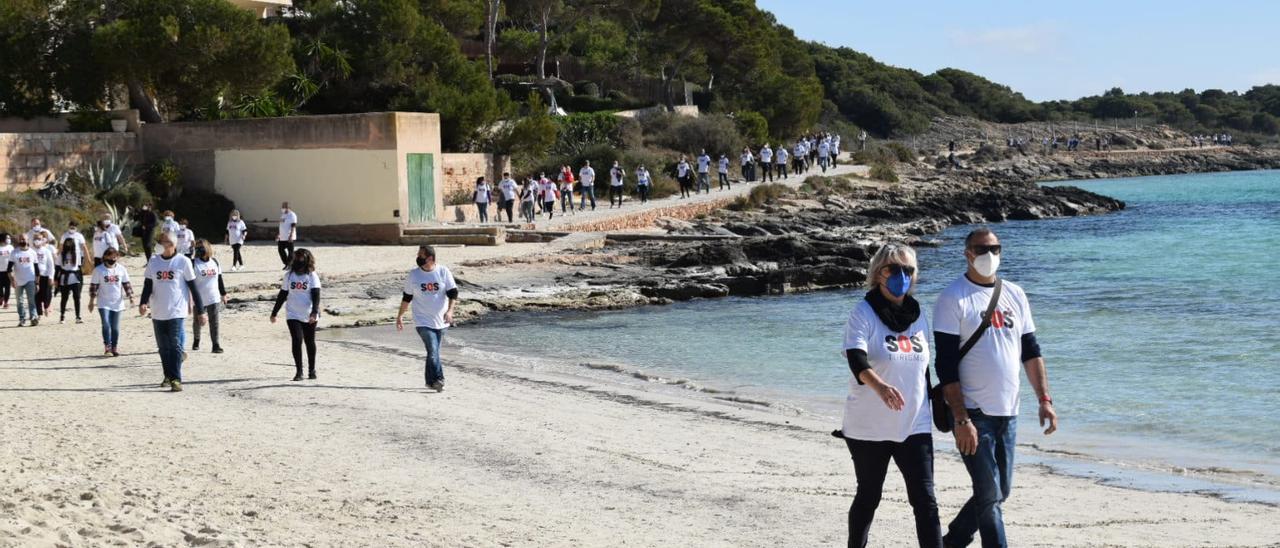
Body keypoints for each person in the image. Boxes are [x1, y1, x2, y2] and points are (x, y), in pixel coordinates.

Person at [934, 228, 1058, 548]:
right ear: (968, 254)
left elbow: (1030, 351)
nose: (990, 255)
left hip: (1009, 412)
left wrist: (1044, 399)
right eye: (982, 249)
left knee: (1000, 490)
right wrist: (961, 419)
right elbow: (945, 366)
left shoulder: (1015, 294)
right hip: (974, 413)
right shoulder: (953, 298)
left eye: (995, 248)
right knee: (990, 499)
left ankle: (955, 539)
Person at [838, 244, 941, 548]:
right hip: (869, 427)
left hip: (914, 425)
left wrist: (939, 406)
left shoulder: (919, 315)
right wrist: (880, 387)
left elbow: (923, 370)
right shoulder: (863, 312)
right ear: (877, 273)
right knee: (869, 496)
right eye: (893, 269)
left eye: (907, 270)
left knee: (926, 500)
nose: (901, 275)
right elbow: (856, 360)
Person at [139, 232, 206, 392]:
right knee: (163, 347)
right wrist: (143, 302)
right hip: (157, 310)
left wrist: (201, 311)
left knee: (174, 344)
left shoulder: (183, 262)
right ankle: (168, 375)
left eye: (165, 241)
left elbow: (193, 287)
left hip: (177, 310)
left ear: (173, 245)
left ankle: (176, 379)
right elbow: (147, 284)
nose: (161, 243)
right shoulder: (153, 261)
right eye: (160, 240)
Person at [396, 245, 457, 392]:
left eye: (421, 255)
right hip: (422, 320)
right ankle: (438, 380)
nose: (418, 258)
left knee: (433, 352)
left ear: (430, 258)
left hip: (441, 320)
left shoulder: (443, 271)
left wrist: (450, 311)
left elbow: (453, 293)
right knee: (433, 349)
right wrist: (400, 316)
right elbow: (407, 297)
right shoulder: (414, 275)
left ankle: (429, 382)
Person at [270, 248, 321, 381]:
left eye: (301, 258)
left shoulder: (311, 275)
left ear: (307, 260)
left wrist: (314, 312)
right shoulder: (289, 275)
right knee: (297, 340)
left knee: (310, 341)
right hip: (292, 313)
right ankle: (299, 371)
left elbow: (316, 294)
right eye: (296, 258)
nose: (298, 261)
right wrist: (274, 312)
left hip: (309, 313)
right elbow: (283, 294)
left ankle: (312, 370)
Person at [88, 247, 133, 357]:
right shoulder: (98, 270)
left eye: (115, 257)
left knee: (115, 328)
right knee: (106, 324)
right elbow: (94, 287)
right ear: (105, 257)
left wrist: (131, 296)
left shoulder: (121, 269)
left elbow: (126, 284)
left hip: (117, 302)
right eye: (110, 256)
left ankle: (114, 347)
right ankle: (107, 347)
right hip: (103, 302)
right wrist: (91, 301)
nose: (113, 259)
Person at [191, 240, 227, 353]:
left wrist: (224, 294)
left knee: (214, 322)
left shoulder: (215, 262)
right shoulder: (193, 263)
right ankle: (196, 339)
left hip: (214, 297)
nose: (199, 250)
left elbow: (220, 279)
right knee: (197, 322)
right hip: (199, 298)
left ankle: (215, 345)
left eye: (201, 247)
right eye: (197, 248)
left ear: (207, 248)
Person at [6, 234, 41, 326]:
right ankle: (22, 318)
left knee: (31, 300)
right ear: (18, 240)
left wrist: (37, 283)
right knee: (19, 301)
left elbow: (37, 270)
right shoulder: (14, 253)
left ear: (28, 240)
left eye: (24, 239)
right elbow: (9, 269)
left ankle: (33, 317)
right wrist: (12, 280)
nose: (22, 241)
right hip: (18, 281)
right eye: (20, 239)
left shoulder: (32, 253)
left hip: (30, 279)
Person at [56, 237, 84, 324]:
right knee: (64, 298)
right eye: (67, 243)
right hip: (65, 278)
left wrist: (81, 280)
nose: (68, 245)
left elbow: (79, 268)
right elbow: (57, 268)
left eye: (70, 243)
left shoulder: (77, 255)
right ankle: (62, 316)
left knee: (77, 297)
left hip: (75, 278)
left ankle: (78, 316)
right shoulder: (61, 255)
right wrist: (56, 279)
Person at [32, 234, 54, 318]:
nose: (37, 240)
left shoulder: (46, 251)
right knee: (36, 296)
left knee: (46, 294)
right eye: (36, 238)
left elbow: (51, 265)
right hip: (34, 277)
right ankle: (39, 313)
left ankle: (46, 306)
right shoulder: (31, 250)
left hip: (45, 276)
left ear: (43, 240)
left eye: (39, 239)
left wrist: (51, 277)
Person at [277, 202, 298, 270]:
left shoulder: (292, 215)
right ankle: (286, 263)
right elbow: (281, 226)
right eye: (282, 207)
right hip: (282, 236)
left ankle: (289, 264)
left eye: (284, 207)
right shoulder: (283, 215)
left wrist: (291, 235)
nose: (282, 208)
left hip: (289, 236)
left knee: (290, 251)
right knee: (280, 250)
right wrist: (278, 234)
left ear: (288, 207)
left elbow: (293, 225)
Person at [0, 233, 11, 309]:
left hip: (8, 271)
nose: (8, 239)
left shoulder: (11, 247)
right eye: (7, 238)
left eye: (9, 238)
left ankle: (6, 302)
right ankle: (1, 297)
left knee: (8, 287)